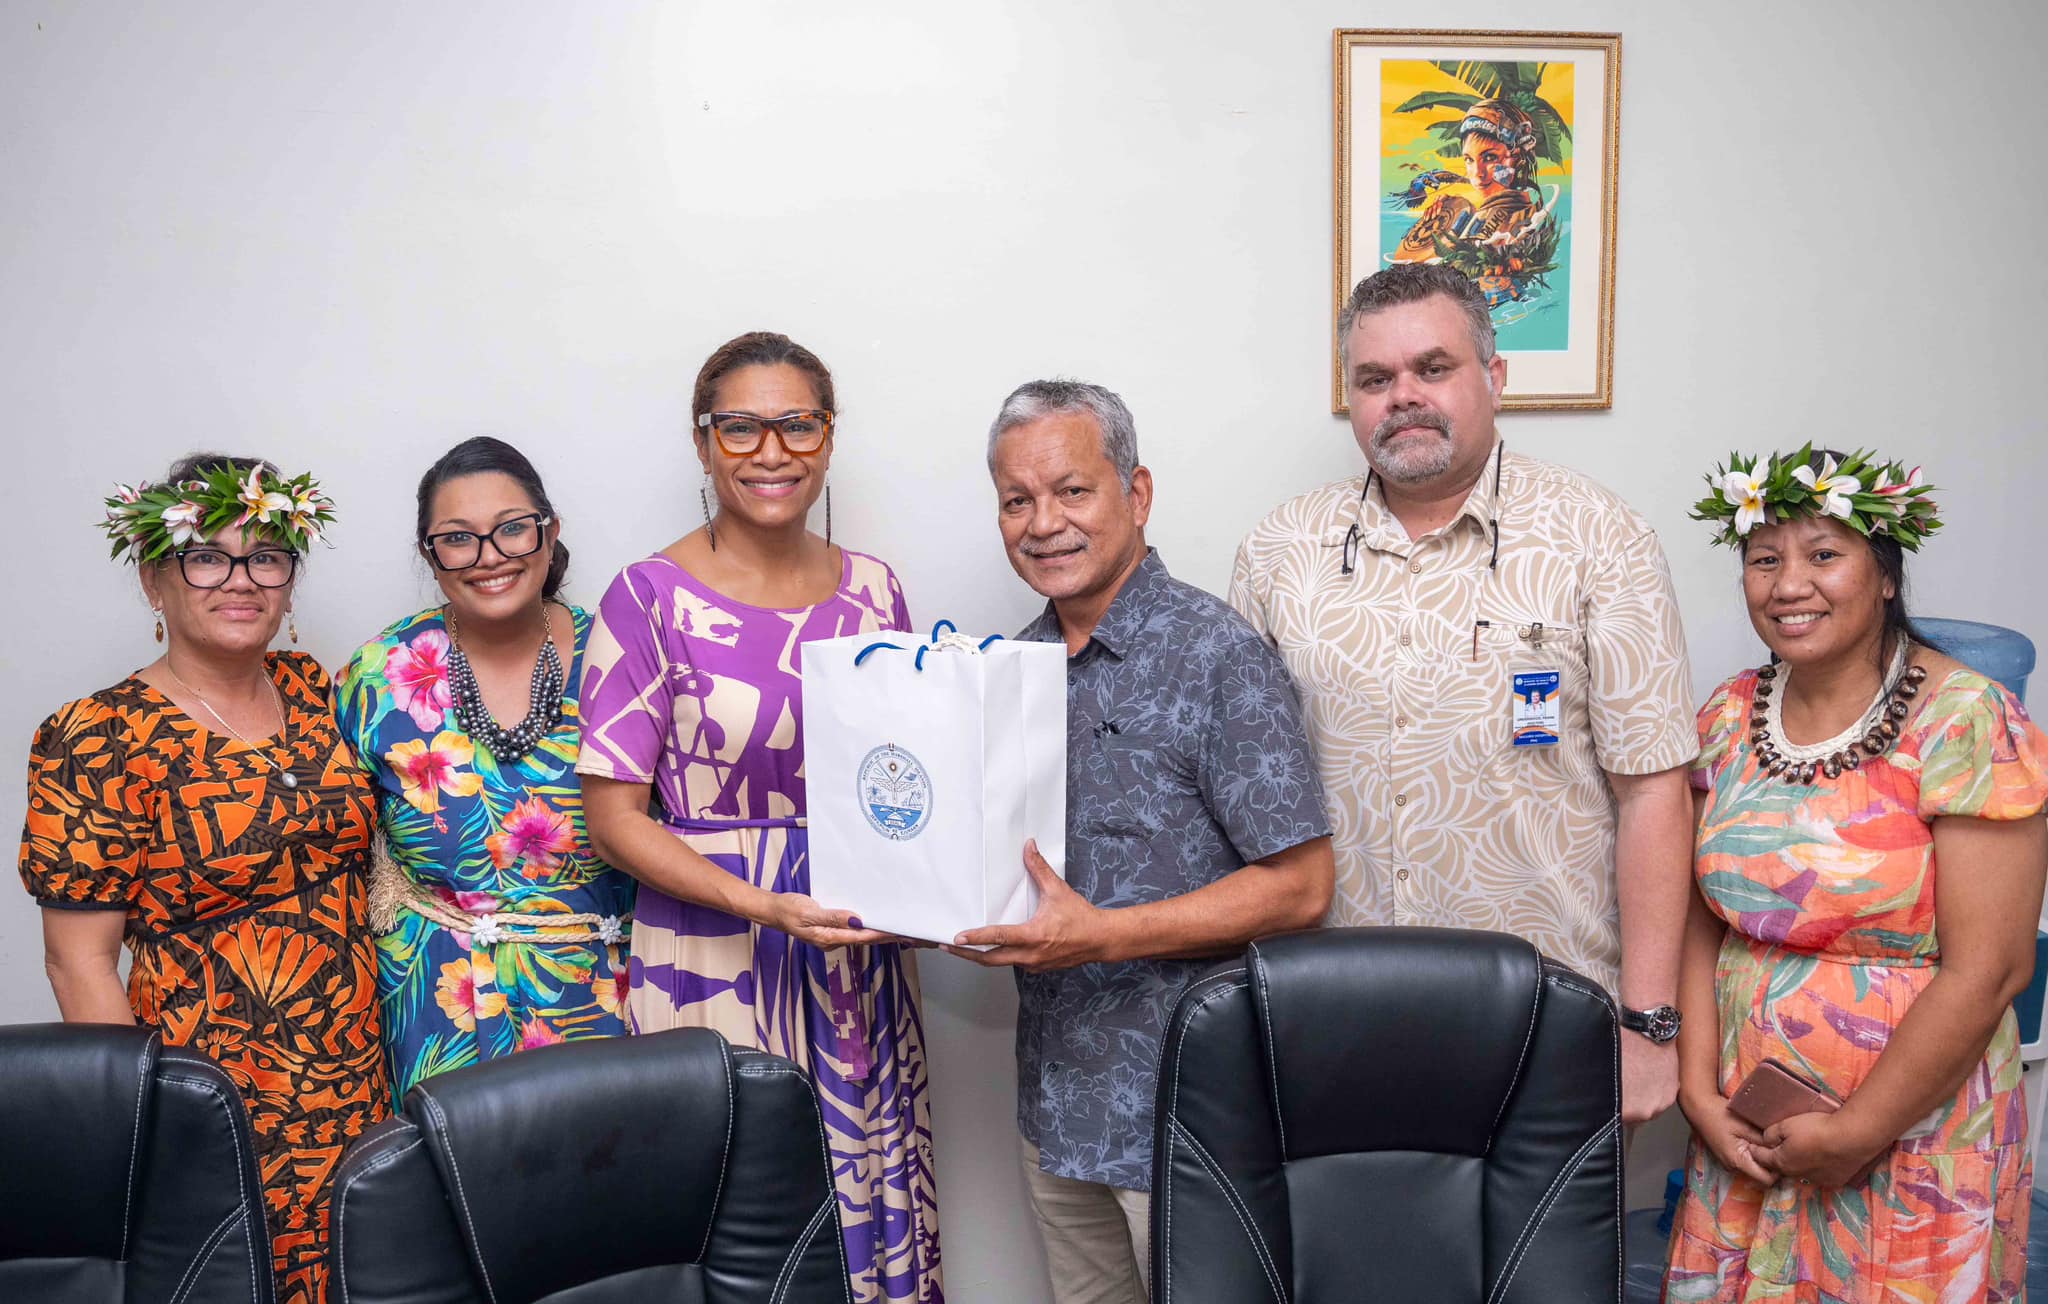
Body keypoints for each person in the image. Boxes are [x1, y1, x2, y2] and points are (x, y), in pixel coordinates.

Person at [1230, 263, 1698, 1124]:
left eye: (1433, 368)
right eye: (1375, 379)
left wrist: (1650, 1025)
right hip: (1328, 1018)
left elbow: (1654, 793)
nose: (1402, 396)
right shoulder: (1277, 553)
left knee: (1544, 1264)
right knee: (1344, 1261)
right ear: (1351, 397)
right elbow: (1244, 805)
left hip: (1548, 1022)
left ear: (1495, 378)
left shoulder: (1603, 540)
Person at [576, 332, 941, 1303]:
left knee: (856, 1215)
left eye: (796, 423)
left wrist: (936, 882)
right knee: (740, 1226)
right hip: (711, 953)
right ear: (702, 443)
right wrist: (765, 902)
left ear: (828, 437)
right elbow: (612, 817)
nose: (770, 450)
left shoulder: (875, 590)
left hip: (853, 957)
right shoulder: (644, 599)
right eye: (740, 425)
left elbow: (903, 773)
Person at [952, 379, 1334, 1304]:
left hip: (1188, 1116)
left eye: (1072, 490)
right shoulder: (1009, 671)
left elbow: (1302, 887)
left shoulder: (1216, 654)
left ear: (1138, 493)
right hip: (1056, 1107)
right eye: (1017, 499)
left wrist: (1107, 936)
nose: (1044, 523)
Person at [1664, 449, 2047, 1301]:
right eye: (1765, 560)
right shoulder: (1727, 715)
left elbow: (1992, 971)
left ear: (1883, 574)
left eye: (1823, 555)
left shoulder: (1966, 719)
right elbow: (1699, 920)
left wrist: (1857, 1130)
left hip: (1914, 1132)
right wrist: (1698, 1092)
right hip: (1747, 1122)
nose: (1788, 584)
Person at [20, 455, 387, 1304]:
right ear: (156, 581)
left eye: (265, 556)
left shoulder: (318, 693)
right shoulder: (96, 737)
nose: (241, 580)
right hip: (211, 1097)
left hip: (359, 1078)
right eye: (208, 557)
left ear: (290, 583)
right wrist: (153, 1125)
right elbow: (77, 964)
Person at [336, 436, 635, 1094]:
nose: (490, 557)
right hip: (435, 1011)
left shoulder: (619, 657)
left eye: (512, 530)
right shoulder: (376, 677)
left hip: (603, 1006)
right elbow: (335, 857)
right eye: (458, 538)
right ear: (428, 553)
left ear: (550, 533)